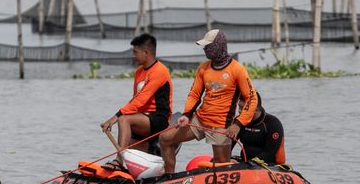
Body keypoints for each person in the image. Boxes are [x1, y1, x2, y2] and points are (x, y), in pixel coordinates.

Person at [160, 28, 258, 174]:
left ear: (218, 46)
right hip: (200, 120)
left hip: (221, 124)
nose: (205, 49)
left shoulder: (237, 69)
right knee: (165, 139)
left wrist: (238, 124)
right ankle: (168, 180)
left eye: (208, 46)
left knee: (221, 166)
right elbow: (194, 94)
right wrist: (186, 115)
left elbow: (252, 98)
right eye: (204, 46)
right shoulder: (203, 68)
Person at [100, 33, 172, 170]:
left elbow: (141, 100)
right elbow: (135, 99)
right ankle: (125, 166)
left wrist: (115, 117)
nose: (132, 55)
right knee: (132, 162)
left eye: (135, 52)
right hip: (142, 119)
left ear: (146, 53)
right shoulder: (139, 72)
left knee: (124, 120)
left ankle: (118, 161)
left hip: (158, 119)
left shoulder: (159, 71)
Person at [235, 94, 285, 165]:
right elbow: (229, 145)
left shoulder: (272, 123)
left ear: (255, 109)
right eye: (239, 107)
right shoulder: (238, 122)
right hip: (245, 163)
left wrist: (250, 163)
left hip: (267, 164)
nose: (239, 111)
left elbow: (270, 153)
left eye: (243, 108)